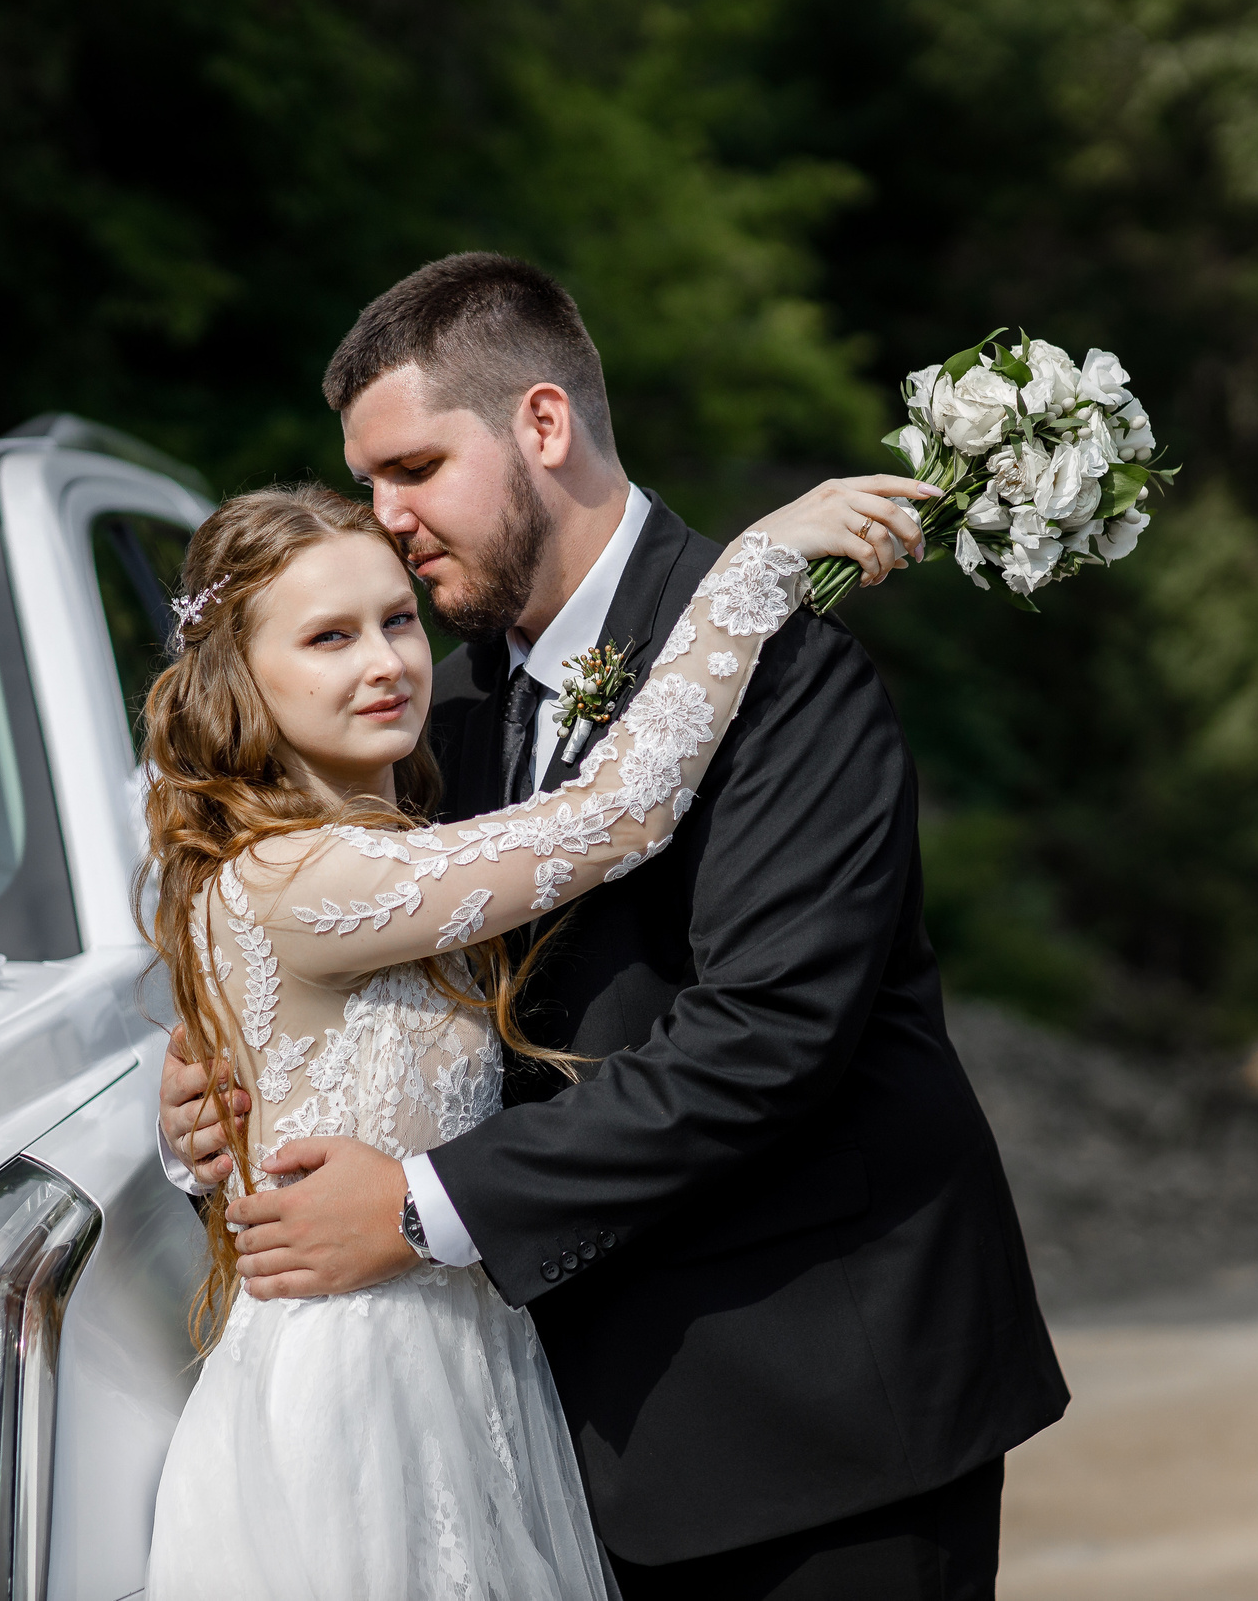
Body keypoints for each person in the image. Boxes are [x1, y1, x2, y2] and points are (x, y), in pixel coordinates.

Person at [157, 253, 1069, 1599]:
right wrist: (220, 1099)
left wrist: (418, 1207)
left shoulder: (781, 673)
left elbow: (767, 1038)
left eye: (411, 469)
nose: (386, 516)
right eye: (368, 485)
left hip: (817, 1420)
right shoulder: (431, 721)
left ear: (542, 424)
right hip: (534, 1448)